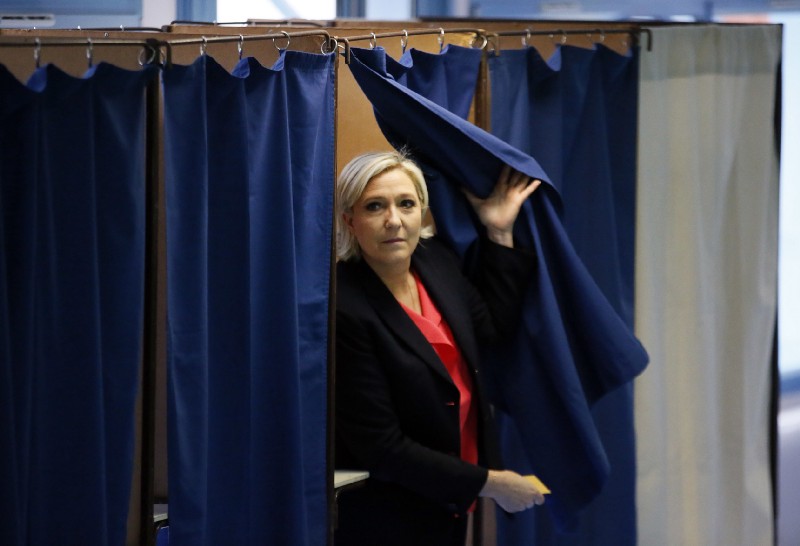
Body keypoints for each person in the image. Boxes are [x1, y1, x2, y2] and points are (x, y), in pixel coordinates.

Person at [334, 150, 545, 546]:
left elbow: (490, 329)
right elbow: (381, 448)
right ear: (351, 221)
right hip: (387, 517)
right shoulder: (345, 307)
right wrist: (490, 482)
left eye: (406, 204)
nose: (393, 220)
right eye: (374, 206)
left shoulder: (436, 263)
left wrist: (499, 233)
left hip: (448, 503)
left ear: (423, 213)